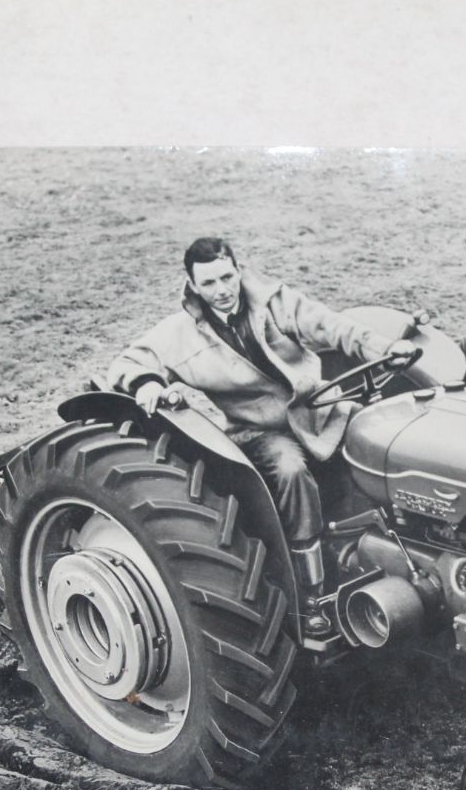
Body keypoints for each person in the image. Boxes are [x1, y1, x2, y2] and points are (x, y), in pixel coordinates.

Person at [107, 237, 420, 631]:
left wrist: (384, 346)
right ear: (192, 285)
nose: (221, 291)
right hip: (256, 430)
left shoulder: (275, 302)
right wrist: (147, 383)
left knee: (379, 442)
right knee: (290, 468)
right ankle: (311, 591)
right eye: (209, 284)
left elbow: (329, 325)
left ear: (238, 270)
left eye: (226, 277)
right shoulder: (182, 332)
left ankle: (397, 543)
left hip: (318, 411)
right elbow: (133, 360)